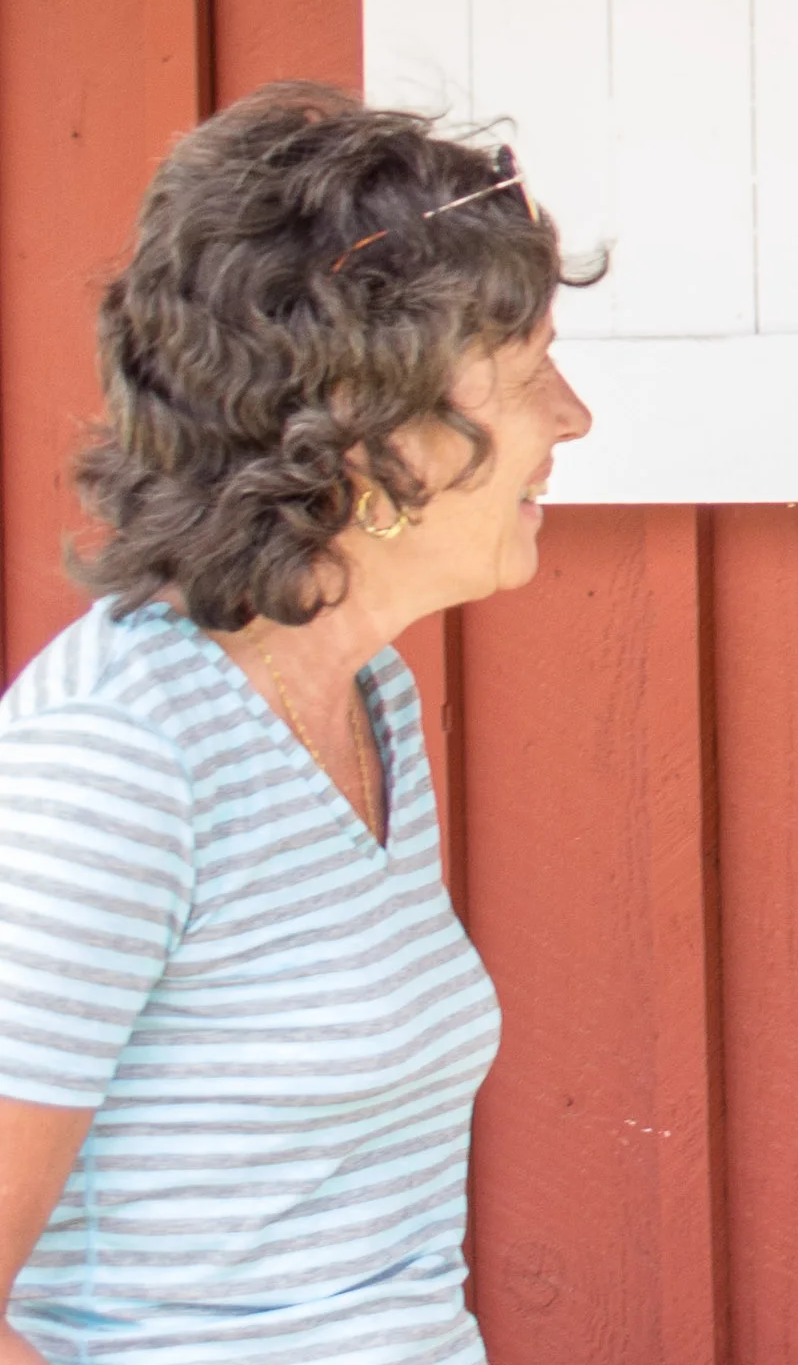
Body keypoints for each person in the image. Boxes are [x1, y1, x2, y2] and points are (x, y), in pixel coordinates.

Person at [0, 84, 595, 1363]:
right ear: (373, 436)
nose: (574, 419)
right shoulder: (116, 759)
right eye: (534, 371)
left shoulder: (361, 691)